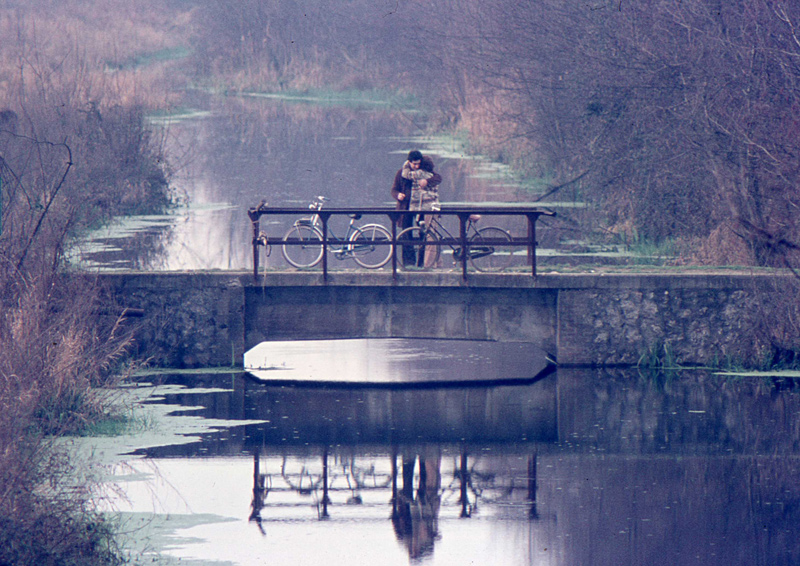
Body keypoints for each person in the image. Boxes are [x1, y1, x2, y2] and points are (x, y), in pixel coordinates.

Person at [391, 150, 442, 266]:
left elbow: (438, 178)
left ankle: (421, 264)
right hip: (405, 208)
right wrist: (398, 195)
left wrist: (427, 181)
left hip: (420, 207)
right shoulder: (401, 173)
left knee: (423, 234)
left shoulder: (423, 172)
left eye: (418, 163)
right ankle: (408, 264)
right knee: (406, 235)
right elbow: (393, 189)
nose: (416, 166)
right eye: (414, 164)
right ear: (409, 162)